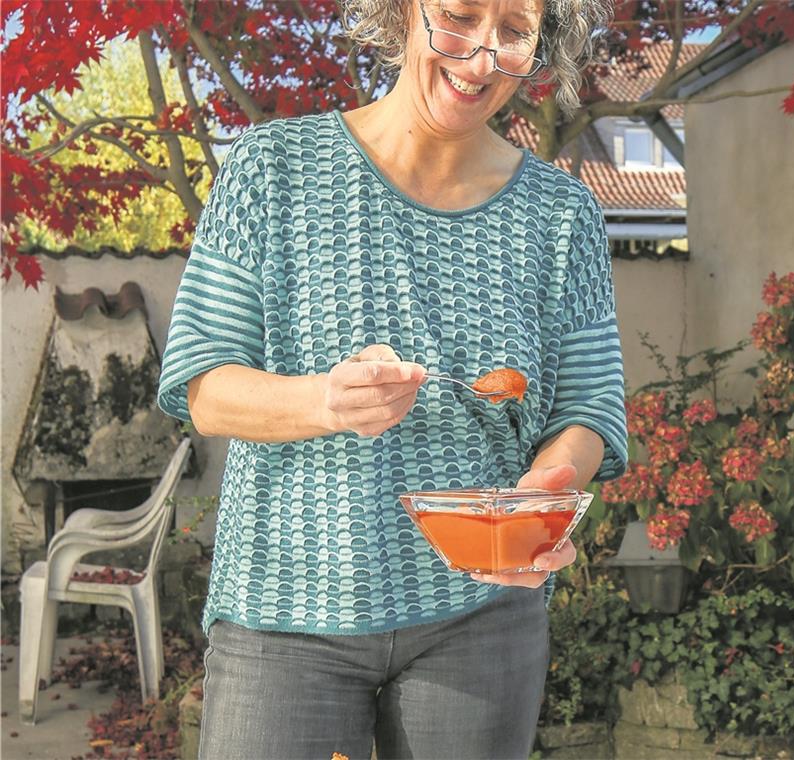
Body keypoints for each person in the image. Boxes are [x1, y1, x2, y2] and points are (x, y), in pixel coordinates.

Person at [157, 1, 625, 758]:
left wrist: (548, 484)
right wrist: (325, 400)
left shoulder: (560, 213)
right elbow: (203, 386)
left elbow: (590, 402)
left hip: (481, 612)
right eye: (459, 16)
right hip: (284, 613)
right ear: (404, 11)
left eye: (514, 32)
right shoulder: (271, 169)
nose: (480, 56)